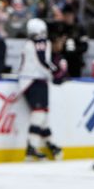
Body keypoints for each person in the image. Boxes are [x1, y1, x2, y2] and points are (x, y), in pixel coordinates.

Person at [17, 18, 67, 160]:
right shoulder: (41, 42)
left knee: (43, 115)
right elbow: (43, 60)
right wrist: (57, 72)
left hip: (31, 79)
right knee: (39, 113)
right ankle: (32, 147)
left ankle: (52, 145)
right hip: (34, 80)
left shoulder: (29, 42)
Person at [58, 4, 89, 78]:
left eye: (69, 15)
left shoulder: (80, 29)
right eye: (65, 15)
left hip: (76, 62)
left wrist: (75, 50)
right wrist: (61, 43)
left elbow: (85, 46)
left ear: (73, 15)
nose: (68, 17)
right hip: (62, 62)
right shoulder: (59, 28)